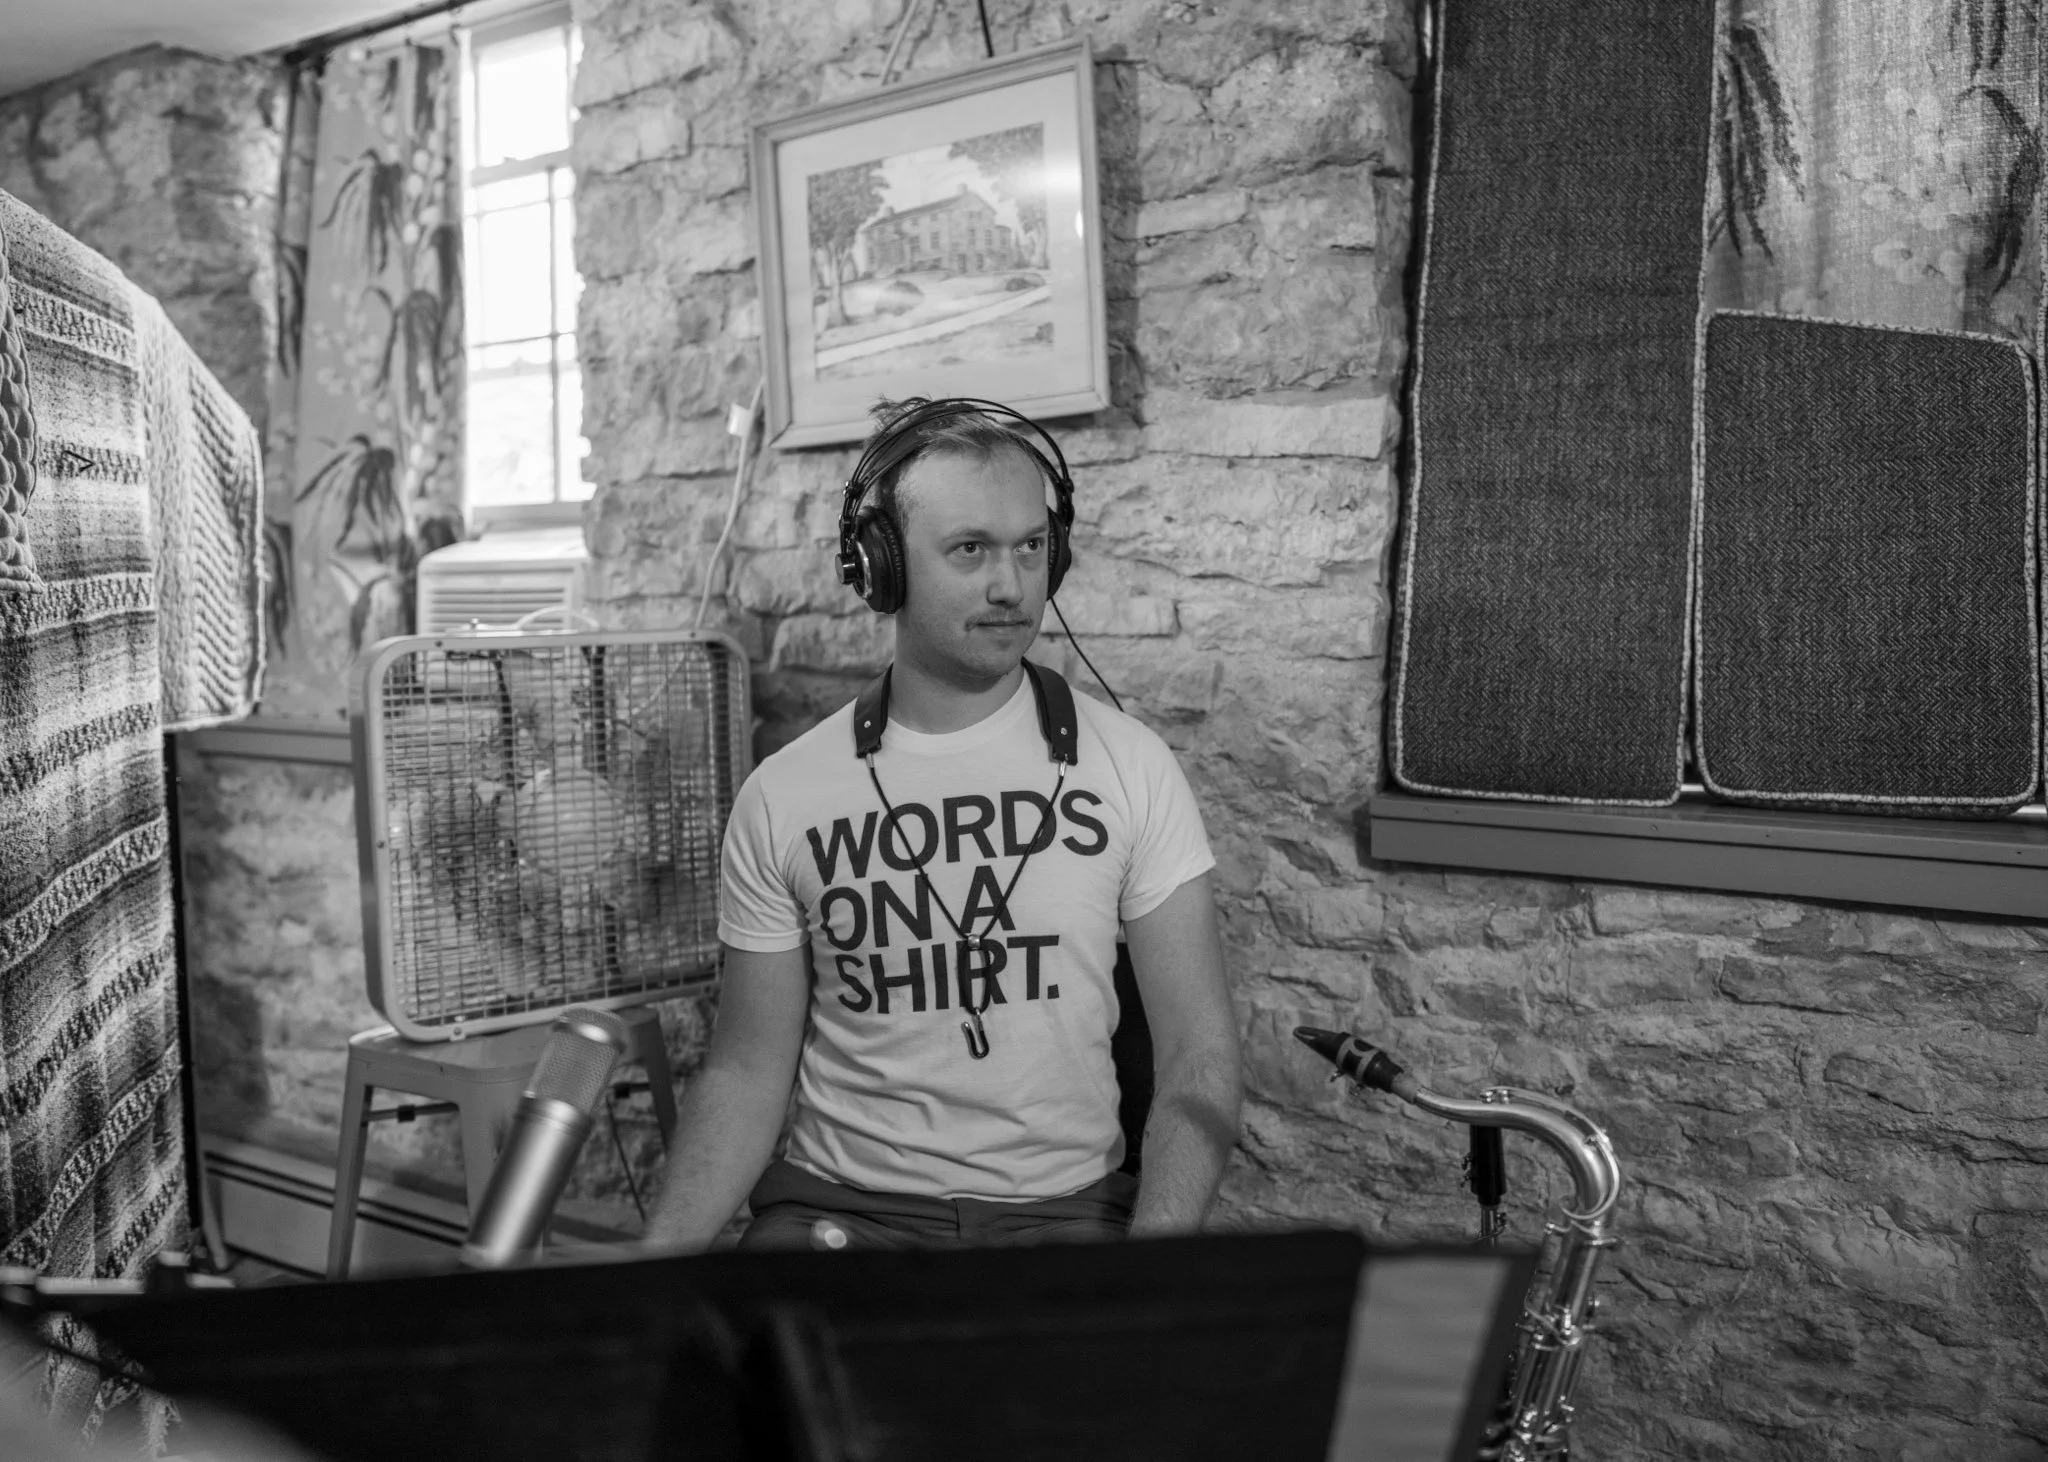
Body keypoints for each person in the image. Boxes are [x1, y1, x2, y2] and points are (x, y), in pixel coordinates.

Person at [643, 397, 1241, 1252]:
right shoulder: (785, 796)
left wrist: (1146, 1269)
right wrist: (647, 1272)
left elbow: (1199, 1056)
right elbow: (746, 1072)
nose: (1011, 586)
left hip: (1064, 1217)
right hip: (843, 1215)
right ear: (881, 568)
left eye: (1031, 548)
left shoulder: (1132, 768)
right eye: (970, 551)